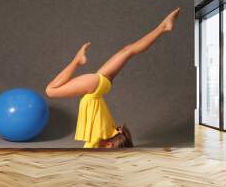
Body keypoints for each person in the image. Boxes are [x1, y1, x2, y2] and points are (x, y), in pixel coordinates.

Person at [45, 8, 181, 148]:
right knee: (51, 91)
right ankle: (77, 60)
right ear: (110, 144)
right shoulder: (99, 138)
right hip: (94, 88)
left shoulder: (113, 131)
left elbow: (120, 136)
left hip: (102, 85)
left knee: (127, 51)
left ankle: (163, 27)